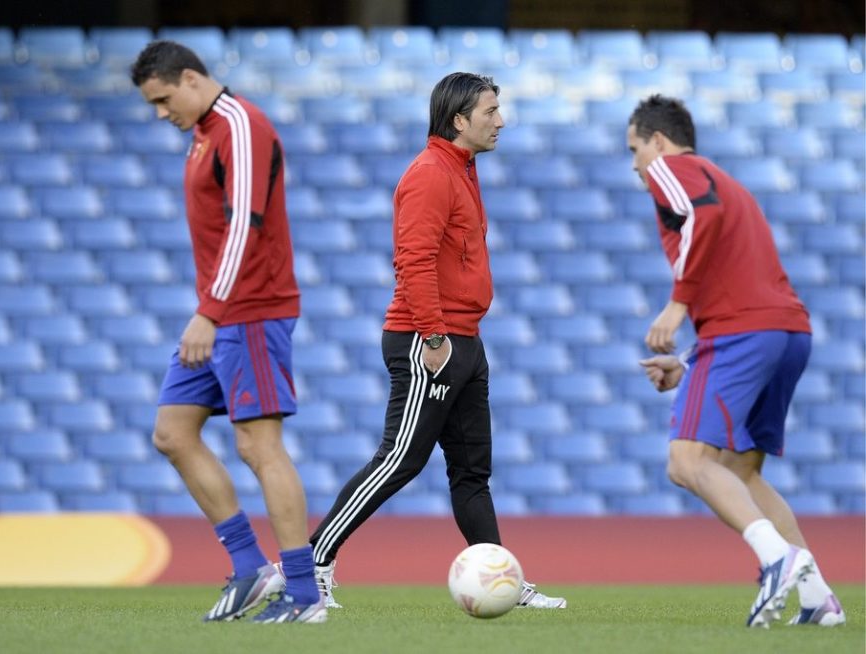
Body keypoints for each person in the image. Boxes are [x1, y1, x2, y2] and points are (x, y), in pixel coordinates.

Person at [308, 72, 566, 611]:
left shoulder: (462, 169)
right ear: (459, 120)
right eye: (491, 111)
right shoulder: (430, 173)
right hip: (430, 340)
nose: (501, 121)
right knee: (399, 460)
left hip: (465, 339)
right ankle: (311, 562)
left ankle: (502, 579)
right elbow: (413, 260)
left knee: (472, 473)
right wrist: (432, 334)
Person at [629, 95, 845, 628]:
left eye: (634, 149)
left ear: (658, 141)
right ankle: (817, 598)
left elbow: (703, 216)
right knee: (739, 470)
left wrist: (677, 305)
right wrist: (689, 359)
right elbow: (738, 277)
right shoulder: (727, 181)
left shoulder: (672, 168)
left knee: (686, 461)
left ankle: (778, 558)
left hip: (743, 332)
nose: (635, 164)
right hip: (786, 333)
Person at [131, 41, 324, 624]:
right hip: (222, 314)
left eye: (164, 99)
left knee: (259, 447)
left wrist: (210, 312)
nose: (161, 113)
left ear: (191, 78)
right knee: (172, 433)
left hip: (250, 312)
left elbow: (246, 222)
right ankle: (249, 566)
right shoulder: (204, 134)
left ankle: (303, 593)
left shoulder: (241, 125)